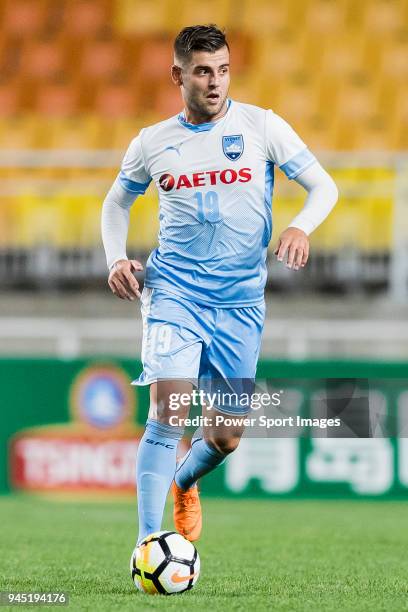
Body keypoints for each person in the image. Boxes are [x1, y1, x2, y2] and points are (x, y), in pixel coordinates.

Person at [101, 24, 338, 546]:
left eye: (224, 70)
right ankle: (147, 543)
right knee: (168, 413)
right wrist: (116, 258)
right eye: (204, 71)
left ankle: (186, 480)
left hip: (240, 303)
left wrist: (299, 226)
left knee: (226, 437)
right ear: (177, 75)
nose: (215, 82)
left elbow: (324, 186)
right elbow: (116, 202)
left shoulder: (262, 126)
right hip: (173, 296)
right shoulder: (152, 142)